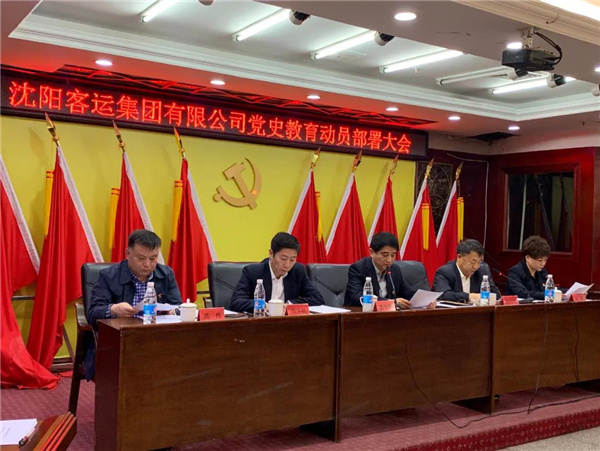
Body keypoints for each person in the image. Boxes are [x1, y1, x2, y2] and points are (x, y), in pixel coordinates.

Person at [88, 229, 182, 325]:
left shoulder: (166, 274)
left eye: (152, 259)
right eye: (141, 258)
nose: (147, 264)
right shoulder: (109, 276)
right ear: (128, 254)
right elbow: (92, 314)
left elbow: (177, 306)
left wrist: (172, 311)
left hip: (156, 331)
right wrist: (113, 310)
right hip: (123, 331)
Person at [230, 232, 324, 313]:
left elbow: (317, 298)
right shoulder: (253, 272)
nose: (287, 265)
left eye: (292, 259)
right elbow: (236, 302)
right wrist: (265, 306)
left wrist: (289, 305)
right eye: (283, 258)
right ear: (271, 253)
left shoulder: (298, 271)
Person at [345, 232, 417, 309]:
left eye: (393, 255)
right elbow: (356, 297)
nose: (389, 260)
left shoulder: (395, 269)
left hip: (387, 315)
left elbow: (409, 293)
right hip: (360, 313)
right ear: (372, 252)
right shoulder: (358, 268)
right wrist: (390, 302)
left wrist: (425, 300)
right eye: (385, 255)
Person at [433, 239, 500, 303]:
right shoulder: (445, 272)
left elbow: (496, 295)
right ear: (459, 257)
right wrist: (470, 296)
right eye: (472, 262)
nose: (475, 267)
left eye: (479, 262)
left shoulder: (482, 271)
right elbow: (442, 295)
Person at [505, 235, 551, 300]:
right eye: (540, 260)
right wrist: (548, 294)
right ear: (528, 258)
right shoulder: (515, 272)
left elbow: (550, 288)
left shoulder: (542, 271)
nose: (543, 264)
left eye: (545, 260)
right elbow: (521, 293)